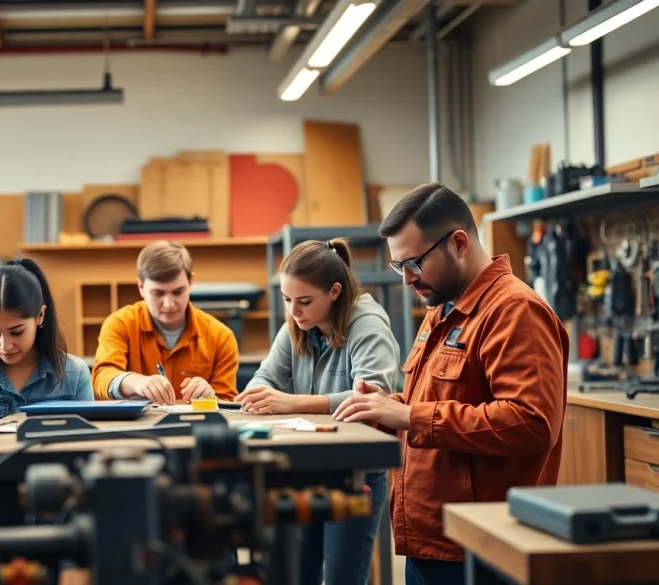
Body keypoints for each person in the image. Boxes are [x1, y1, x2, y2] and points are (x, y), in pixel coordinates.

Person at [332, 183, 568, 585]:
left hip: (481, 546)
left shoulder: (514, 311)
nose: (406, 279)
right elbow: (433, 402)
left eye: (414, 263)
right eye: (398, 267)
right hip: (431, 536)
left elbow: (532, 422)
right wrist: (387, 409)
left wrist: (410, 415)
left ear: (458, 242)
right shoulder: (443, 307)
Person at [237, 238, 399, 585]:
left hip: (353, 471)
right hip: (303, 465)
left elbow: (374, 397)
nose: (294, 311)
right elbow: (266, 377)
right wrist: (256, 393)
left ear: (335, 292)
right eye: (287, 300)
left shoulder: (367, 323)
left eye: (304, 301)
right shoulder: (299, 323)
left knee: (341, 576)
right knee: (295, 573)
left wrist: (291, 402)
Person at [0, 258, 93, 529]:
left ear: (41, 316)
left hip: (53, 525)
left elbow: (83, 461)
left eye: (16, 331)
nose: (5, 345)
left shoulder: (75, 374)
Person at [92, 241, 239, 404]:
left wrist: (211, 397)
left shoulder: (221, 336)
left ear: (191, 283)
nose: (169, 303)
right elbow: (101, 378)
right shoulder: (120, 324)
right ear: (140, 287)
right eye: (158, 293)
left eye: (178, 292)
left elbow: (228, 403)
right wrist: (137, 382)